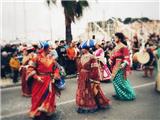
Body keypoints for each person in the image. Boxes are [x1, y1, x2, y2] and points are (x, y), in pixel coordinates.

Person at [26, 41, 60, 120]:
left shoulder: (51, 57)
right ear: (44, 48)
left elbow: (56, 68)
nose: (50, 49)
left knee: (49, 97)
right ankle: (37, 113)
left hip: (49, 81)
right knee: (37, 98)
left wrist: (55, 75)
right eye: (48, 48)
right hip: (39, 81)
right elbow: (30, 69)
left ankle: (47, 112)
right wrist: (37, 77)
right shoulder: (36, 58)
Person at [76, 43, 111, 113]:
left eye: (82, 48)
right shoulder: (82, 56)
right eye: (81, 48)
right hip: (82, 76)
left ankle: (91, 104)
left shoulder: (92, 57)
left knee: (91, 90)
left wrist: (93, 79)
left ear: (86, 49)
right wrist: (78, 75)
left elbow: (94, 68)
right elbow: (79, 67)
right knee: (83, 90)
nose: (81, 50)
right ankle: (84, 103)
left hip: (89, 76)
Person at [109, 32, 136, 100]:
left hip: (120, 66)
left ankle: (129, 94)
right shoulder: (116, 46)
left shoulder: (123, 46)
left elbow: (126, 56)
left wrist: (124, 63)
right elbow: (113, 55)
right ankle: (119, 94)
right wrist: (110, 59)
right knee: (115, 80)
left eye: (115, 37)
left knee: (121, 81)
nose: (114, 39)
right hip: (115, 65)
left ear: (119, 38)